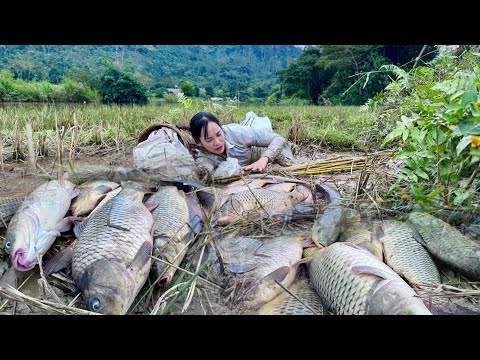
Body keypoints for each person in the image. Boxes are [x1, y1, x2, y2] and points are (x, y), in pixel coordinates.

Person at [188, 111, 295, 180]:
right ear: (199, 142)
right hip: (245, 174)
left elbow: (278, 138)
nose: (217, 142)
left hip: (264, 153)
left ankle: (293, 148)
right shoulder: (201, 156)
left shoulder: (238, 133)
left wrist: (264, 160)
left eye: (218, 134)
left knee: (289, 166)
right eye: (209, 140)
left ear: (221, 128)